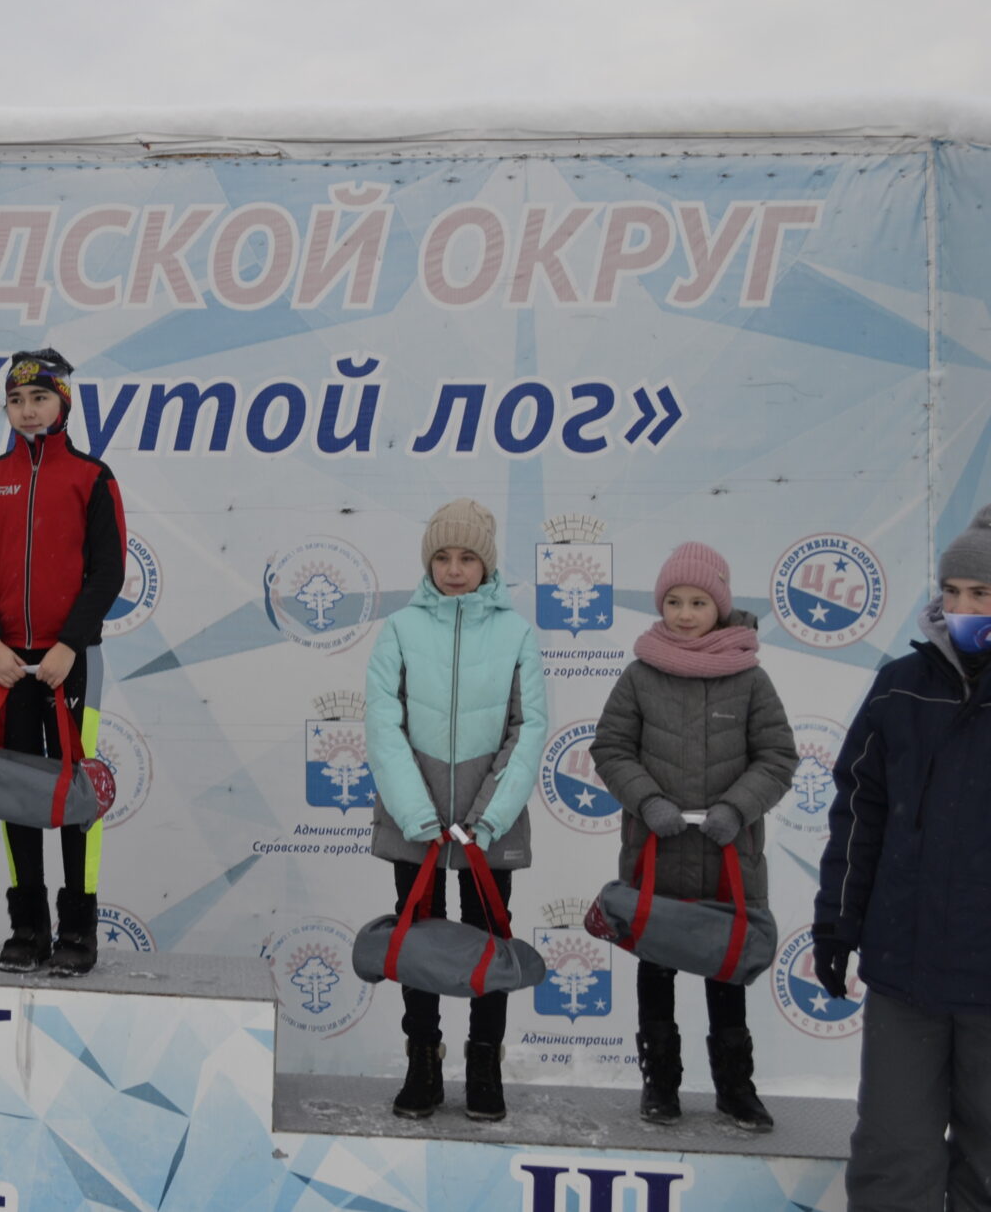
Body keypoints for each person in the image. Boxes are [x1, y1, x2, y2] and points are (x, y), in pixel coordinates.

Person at [817, 506, 991, 1209]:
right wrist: (838, 924)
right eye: (951, 592)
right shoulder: (899, 686)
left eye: (979, 593)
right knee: (894, 1157)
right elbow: (860, 816)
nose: (961, 608)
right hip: (906, 975)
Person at [590, 543, 795, 1130]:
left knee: (725, 975)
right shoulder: (639, 674)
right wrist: (648, 801)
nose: (684, 613)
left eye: (698, 602)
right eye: (674, 601)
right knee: (655, 974)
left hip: (728, 861)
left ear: (721, 607)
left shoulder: (750, 678)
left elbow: (778, 756)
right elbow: (610, 748)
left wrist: (737, 808)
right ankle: (660, 1086)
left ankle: (735, 1088)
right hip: (655, 858)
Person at [363, 498, 545, 1121]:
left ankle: (485, 1065)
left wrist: (487, 819)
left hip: (488, 825)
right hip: (413, 821)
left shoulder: (518, 633)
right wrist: (415, 813)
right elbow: (383, 725)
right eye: (443, 556)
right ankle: (423, 1061)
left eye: (468, 557)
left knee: (489, 940)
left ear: (487, 563)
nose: (455, 568)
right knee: (418, 940)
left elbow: (528, 729)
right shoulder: (400, 630)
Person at [0, 349, 126, 978]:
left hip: (70, 662)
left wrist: (68, 645)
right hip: (2, 663)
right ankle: (27, 926)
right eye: (16, 400)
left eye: (40, 399)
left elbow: (107, 571)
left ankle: (78, 930)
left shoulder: (92, 476)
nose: (28, 410)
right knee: (15, 794)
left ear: (64, 404)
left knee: (72, 792)